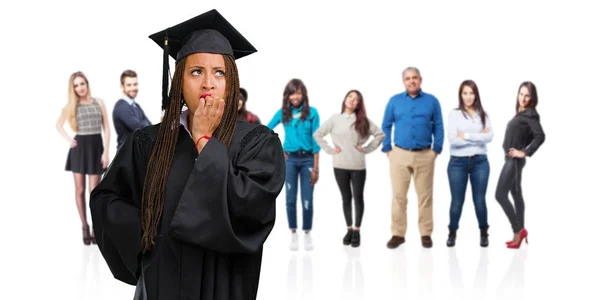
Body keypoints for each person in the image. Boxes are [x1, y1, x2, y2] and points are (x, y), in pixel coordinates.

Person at [89, 9, 286, 300]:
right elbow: (106, 200)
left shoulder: (256, 142)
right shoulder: (148, 141)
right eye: (196, 72)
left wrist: (205, 140)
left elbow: (252, 209)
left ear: (230, 82)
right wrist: (147, 228)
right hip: (160, 284)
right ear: (179, 81)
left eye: (219, 72)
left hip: (224, 286)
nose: (208, 83)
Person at [381, 67, 444, 249]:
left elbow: (438, 126)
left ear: (421, 79)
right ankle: (398, 234)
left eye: (414, 78)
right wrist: (388, 150)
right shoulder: (394, 101)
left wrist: (436, 150)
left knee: (425, 196)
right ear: (403, 81)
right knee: (398, 196)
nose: (411, 81)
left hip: (425, 155)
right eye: (408, 78)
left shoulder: (432, 101)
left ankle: (425, 233)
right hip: (399, 154)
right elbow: (386, 125)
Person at [313, 90, 384, 247]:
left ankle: (357, 230)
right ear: (345, 99)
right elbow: (318, 134)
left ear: (359, 104)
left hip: (358, 165)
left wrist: (365, 149)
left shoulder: (362, 120)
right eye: (350, 97)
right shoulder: (335, 119)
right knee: (346, 198)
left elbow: (380, 135)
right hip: (339, 165)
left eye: (356, 99)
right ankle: (349, 229)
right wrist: (331, 150)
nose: (352, 101)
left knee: (358, 197)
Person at [55, 71, 110, 245]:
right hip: (80, 149)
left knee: (94, 192)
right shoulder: (71, 106)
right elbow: (58, 125)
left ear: (87, 83)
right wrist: (70, 140)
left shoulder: (99, 102)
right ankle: (84, 226)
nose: (80, 88)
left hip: (96, 147)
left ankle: (95, 226)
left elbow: (106, 128)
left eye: (82, 83)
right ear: (73, 88)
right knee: (79, 190)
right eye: (76, 85)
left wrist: (106, 152)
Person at [266, 78, 320, 251]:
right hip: (289, 160)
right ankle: (294, 233)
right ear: (287, 96)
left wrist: (316, 168)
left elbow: (316, 140)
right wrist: (278, 150)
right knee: (290, 198)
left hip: (308, 160)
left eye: (298, 92)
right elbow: (268, 129)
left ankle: (307, 232)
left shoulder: (312, 113)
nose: (295, 96)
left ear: (303, 93)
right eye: (292, 93)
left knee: (307, 199)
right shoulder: (283, 113)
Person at [495, 81, 545, 249]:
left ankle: (518, 230)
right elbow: (529, 135)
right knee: (516, 194)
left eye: (527, 95)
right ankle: (519, 233)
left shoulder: (530, 114)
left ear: (532, 98)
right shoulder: (521, 113)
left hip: (515, 161)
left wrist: (523, 151)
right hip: (510, 160)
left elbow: (540, 136)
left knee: (500, 195)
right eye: (521, 94)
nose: (523, 98)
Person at [445, 80, 493, 247]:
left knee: (479, 200)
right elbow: (452, 139)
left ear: (476, 95)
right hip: (458, 163)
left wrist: (465, 136)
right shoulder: (454, 114)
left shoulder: (483, 114)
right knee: (457, 201)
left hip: (480, 162)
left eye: (471, 93)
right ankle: (452, 232)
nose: (468, 97)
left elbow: (490, 137)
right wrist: (478, 136)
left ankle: (484, 233)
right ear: (460, 95)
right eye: (465, 93)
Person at [113, 69, 152, 149]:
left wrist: (144, 124)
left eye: (135, 84)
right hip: (126, 155)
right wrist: (143, 123)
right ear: (122, 86)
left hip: (135, 154)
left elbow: (150, 126)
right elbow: (141, 129)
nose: (133, 88)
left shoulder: (136, 105)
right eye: (129, 85)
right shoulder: (122, 107)